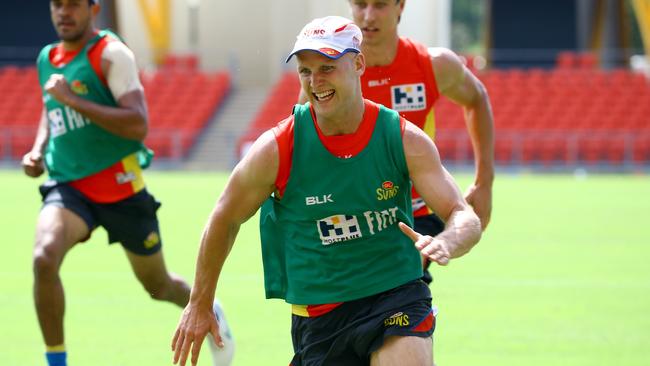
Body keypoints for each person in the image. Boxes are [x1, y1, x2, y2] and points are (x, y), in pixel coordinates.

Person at [172, 16, 481, 366]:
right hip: (320, 317)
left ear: (358, 63)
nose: (315, 82)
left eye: (327, 68)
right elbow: (224, 218)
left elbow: (462, 214)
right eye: (306, 71)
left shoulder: (402, 138)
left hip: (396, 296)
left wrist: (447, 241)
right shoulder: (276, 148)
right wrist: (199, 303)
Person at [22, 1, 233, 365]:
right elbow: (50, 107)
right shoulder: (47, 58)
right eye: (58, 4)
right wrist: (38, 148)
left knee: (158, 286)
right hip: (69, 186)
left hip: (121, 189)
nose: (63, 12)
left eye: (73, 5)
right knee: (44, 258)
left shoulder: (111, 55)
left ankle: (206, 305)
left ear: (94, 9)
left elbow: (138, 124)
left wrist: (72, 99)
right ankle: (56, 361)